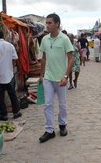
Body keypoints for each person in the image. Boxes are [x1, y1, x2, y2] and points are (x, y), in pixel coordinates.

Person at [39, 13, 74, 143]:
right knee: (47, 104)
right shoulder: (44, 39)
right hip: (48, 77)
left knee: (62, 104)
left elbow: (71, 58)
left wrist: (66, 76)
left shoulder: (64, 39)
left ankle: (62, 125)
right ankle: (49, 130)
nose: (47, 25)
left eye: (50, 23)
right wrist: (41, 75)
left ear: (57, 24)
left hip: (61, 79)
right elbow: (43, 58)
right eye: (46, 23)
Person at [0, 29, 22, 121]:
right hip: (9, 73)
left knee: (0, 96)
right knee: (13, 94)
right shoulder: (10, 45)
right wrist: (10, 68)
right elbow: (14, 59)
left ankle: (4, 115)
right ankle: (16, 113)